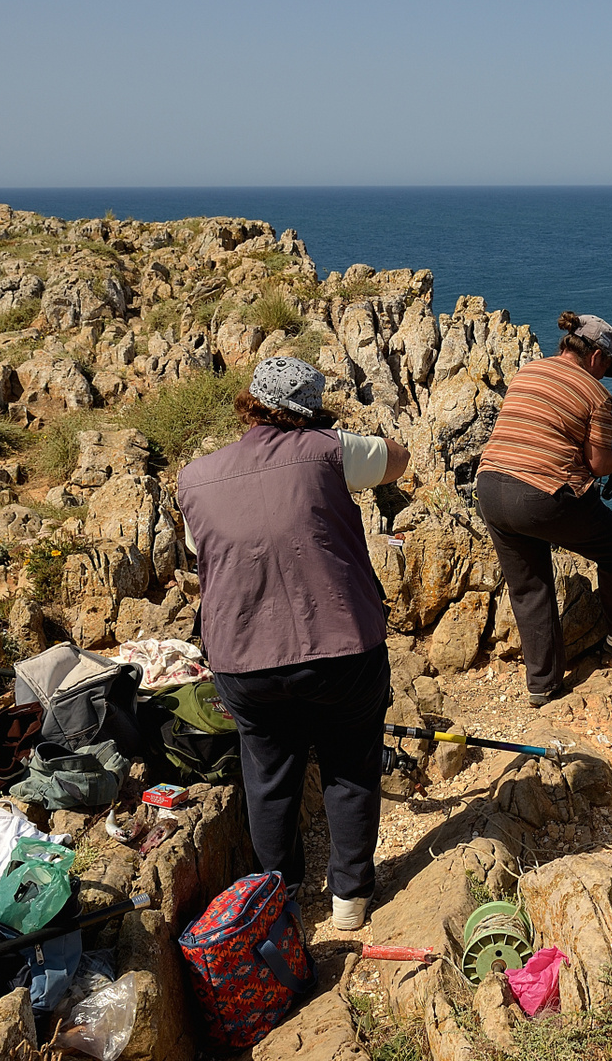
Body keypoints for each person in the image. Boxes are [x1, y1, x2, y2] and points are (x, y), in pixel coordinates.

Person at [175, 356, 409, 931]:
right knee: (350, 763)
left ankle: (280, 896)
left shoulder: (194, 478)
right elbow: (398, 459)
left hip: (243, 660)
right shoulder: (330, 450)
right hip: (341, 649)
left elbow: (194, 543)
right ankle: (351, 898)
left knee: (269, 775)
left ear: (249, 402)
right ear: (310, 409)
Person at [476, 310, 612, 707]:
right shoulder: (595, 394)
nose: (606, 375)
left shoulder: (529, 371)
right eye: (607, 365)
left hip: (490, 486)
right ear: (596, 357)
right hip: (539, 497)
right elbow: (599, 465)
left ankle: (543, 685)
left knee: (529, 587)